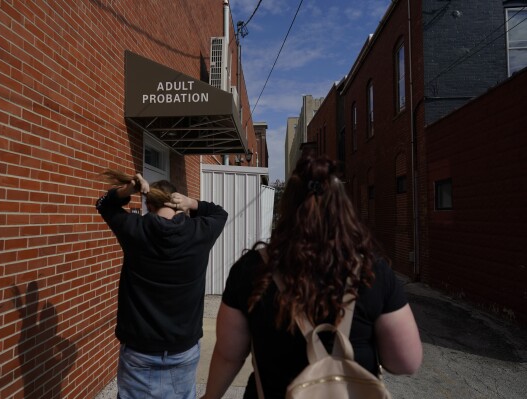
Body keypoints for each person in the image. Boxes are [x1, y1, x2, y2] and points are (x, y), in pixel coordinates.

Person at [202, 155, 422, 399]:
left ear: (287, 206)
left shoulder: (252, 269)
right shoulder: (373, 271)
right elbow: (405, 362)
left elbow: (229, 354)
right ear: (343, 208)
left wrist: (209, 396)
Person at [96, 170, 228, 399]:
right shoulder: (199, 232)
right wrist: (191, 202)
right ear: (178, 204)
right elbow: (220, 213)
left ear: (149, 204)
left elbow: (104, 205)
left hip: (139, 351)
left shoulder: (135, 229)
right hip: (183, 350)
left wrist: (128, 190)